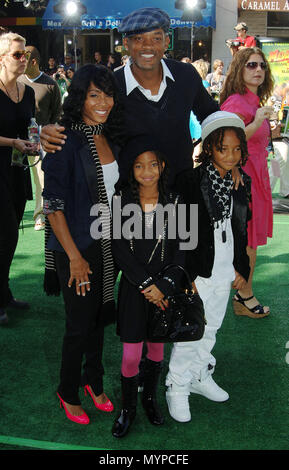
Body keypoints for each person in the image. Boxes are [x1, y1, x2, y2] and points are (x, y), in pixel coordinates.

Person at [40, 7, 219, 188]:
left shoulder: (185, 75)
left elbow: (211, 115)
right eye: (138, 39)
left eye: (156, 38)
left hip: (181, 191)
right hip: (129, 200)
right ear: (126, 44)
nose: (147, 46)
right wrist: (53, 131)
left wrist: (227, 160)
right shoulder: (110, 86)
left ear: (167, 42)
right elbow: (82, 122)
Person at [42, 64, 125, 423]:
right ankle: (67, 391)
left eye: (107, 94)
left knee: (96, 320)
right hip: (75, 247)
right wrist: (74, 258)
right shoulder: (65, 139)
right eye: (94, 95)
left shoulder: (110, 135)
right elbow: (53, 205)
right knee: (78, 325)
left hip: (107, 247)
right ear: (79, 98)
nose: (103, 101)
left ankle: (94, 381)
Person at [166, 111, 251, 422]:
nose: (230, 155)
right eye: (222, 148)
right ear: (209, 148)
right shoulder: (189, 181)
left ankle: (200, 375)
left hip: (225, 265)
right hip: (197, 268)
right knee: (191, 329)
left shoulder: (241, 181)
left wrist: (241, 269)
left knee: (212, 327)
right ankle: (176, 385)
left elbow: (240, 230)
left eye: (236, 149)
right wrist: (184, 275)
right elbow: (180, 233)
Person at [111, 135, 185, 438]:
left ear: (162, 166)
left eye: (153, 165)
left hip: (164, 290)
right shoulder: (122, 201)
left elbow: (182, 248)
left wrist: (165, 286)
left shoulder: (176, 200)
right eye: (139, 166)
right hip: (134, 287)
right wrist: (145, 284)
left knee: (156, 350)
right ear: (132, 170)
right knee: (131, 356)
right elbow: (118, 248)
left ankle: (149, 399)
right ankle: (127, 409)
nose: (146, 171)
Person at [220, 47, 275, 318]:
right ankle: (244, 296)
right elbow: (227, 140)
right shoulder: (236, 102)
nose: (259, 70)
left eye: (262, 66)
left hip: (257, 177)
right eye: (252, 65)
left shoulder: (253, 100)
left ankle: (243, 293)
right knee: (247, 242)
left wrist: (265, 124)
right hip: (242, 180)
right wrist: (258, 121)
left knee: (250, 241)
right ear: (240, 69)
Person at [0, 32, 36, 326]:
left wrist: (33, 140)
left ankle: (5, 291)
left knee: (10, 237)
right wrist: (12, 141)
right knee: (8, 234)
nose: (24, 59)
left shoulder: (29, 91)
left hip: (17, 169)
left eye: (25, 54)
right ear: (1, 58)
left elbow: (30, 127)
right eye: (17, 54)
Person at [19, 45, 62, 231]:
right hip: (17, 136)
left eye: (24, 59)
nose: (20, 62)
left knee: (40, 178)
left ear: (33, 62)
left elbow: (57, 113)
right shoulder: (16, 81)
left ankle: (39, 215)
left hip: (41, 136)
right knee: (17, 177)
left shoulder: (50, 84)